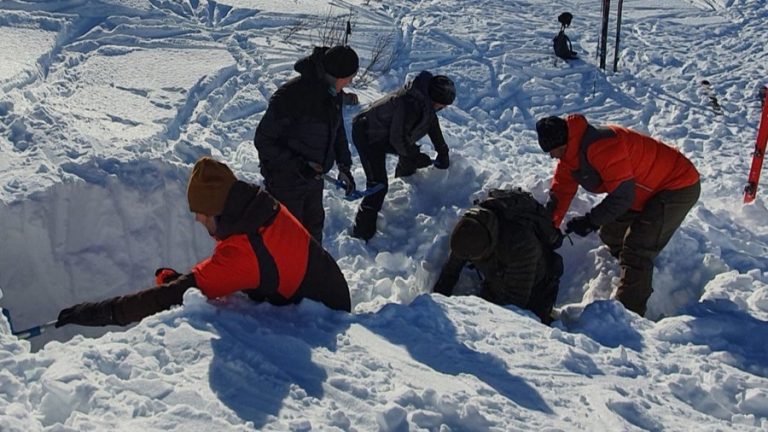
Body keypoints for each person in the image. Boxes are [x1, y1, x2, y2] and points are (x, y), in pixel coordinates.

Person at [55, 157, 351, 329]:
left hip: (323, 317)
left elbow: (167, 299)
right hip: (327, 285)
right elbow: (224, 267)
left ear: (219, 211)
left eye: (201, 212)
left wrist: (98, 313)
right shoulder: (258, 208)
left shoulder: (246, 249)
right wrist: (186, 282)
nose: (197, 219)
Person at [536, 114, 701, 316]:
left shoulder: (603, 145)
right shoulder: (569, 157)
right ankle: (632, 273)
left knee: (637, 247)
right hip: (642, 191)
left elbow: (622, 197)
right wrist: (547, 228)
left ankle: (628, 315)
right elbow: (560, 192)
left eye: (554, 151)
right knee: (611, 233)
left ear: (564, 142)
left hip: (677, 185)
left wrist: (590, 221)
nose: (553, 156)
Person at [254, 45, 359, 242]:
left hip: (312, 179)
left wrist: (344, 166)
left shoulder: (332, 94)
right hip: (285, 182)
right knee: (288, 239)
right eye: (350, 77)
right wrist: (300, 165)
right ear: (339, 75)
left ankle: (312, 271)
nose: (351, 82)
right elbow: (263, 140)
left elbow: (337, 131)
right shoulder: (291, 97)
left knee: (313, 233)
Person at [350, 71, 456, 241]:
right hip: (368, 134)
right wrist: (415, 156)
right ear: (434, 99)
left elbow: (431, 124)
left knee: (409, 156)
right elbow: (398, 138)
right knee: (378, 185)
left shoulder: (425, 100)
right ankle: (361, 233)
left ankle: (402, 188)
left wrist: (442, 151)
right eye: (441, 105)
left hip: (387, 134)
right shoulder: (410, 103)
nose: (442, 109)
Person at [433, 189, 564, 324]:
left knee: (530, 322)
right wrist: (437, 303)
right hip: (500, 272)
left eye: (476, 257)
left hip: (535, 285)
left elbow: (515, 305)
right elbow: (450, 272)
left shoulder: (521, 244)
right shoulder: (469, 228)